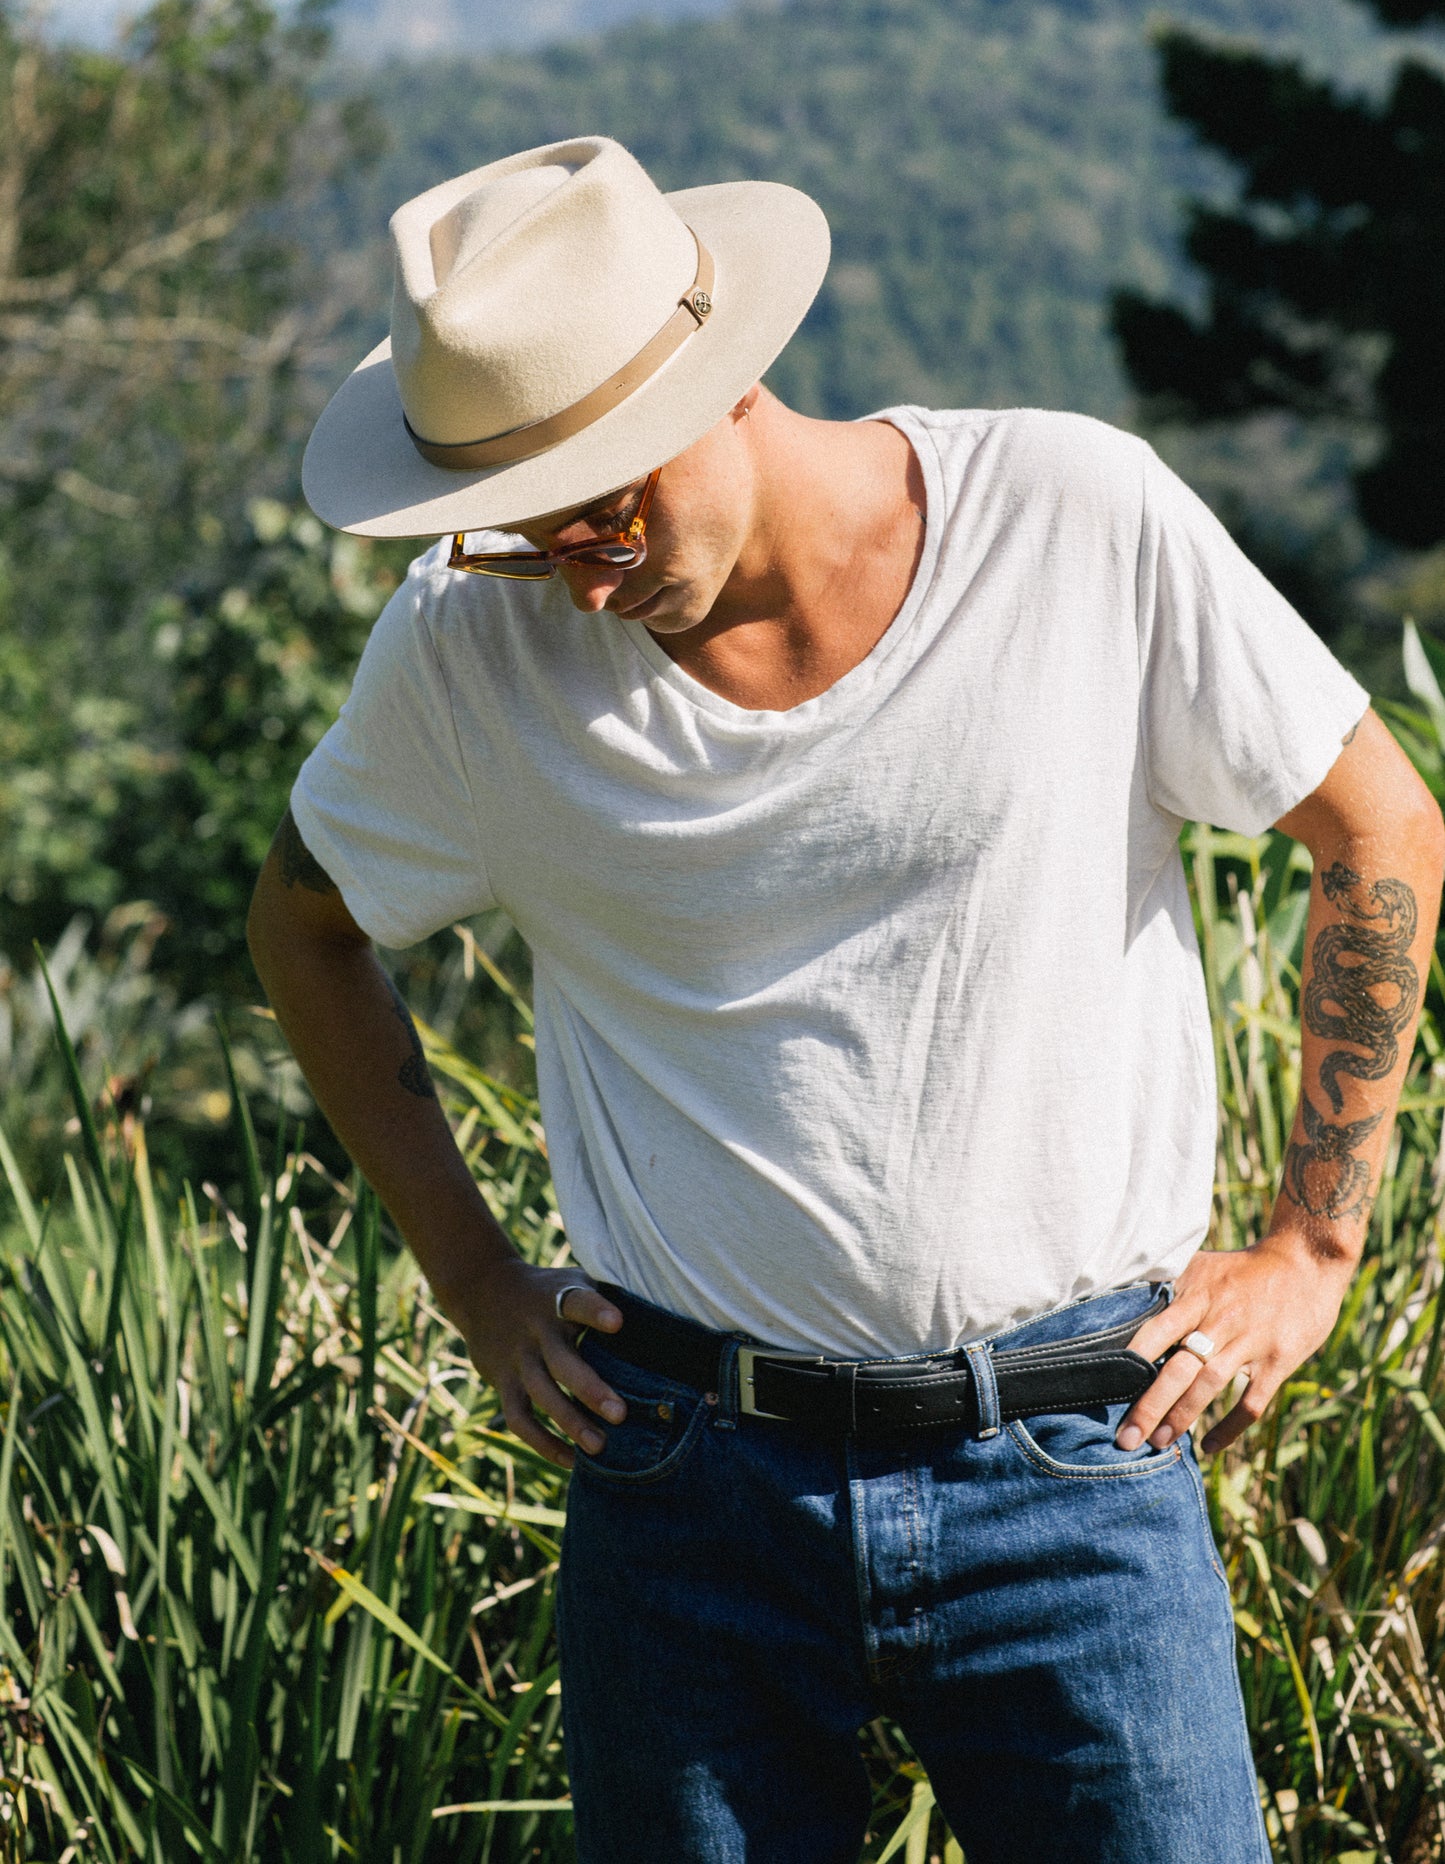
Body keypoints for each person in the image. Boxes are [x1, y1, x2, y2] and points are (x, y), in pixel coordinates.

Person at [247, 135, 1444, 1864]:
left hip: (1071, 1462)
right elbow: (304, 932)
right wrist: (472, 1277)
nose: (580, 575)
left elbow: (1377, 822)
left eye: (604, 506)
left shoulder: (1067, 520)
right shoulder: (464, 647)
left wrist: (1311, 1247)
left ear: (724, 384)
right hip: (684, 1490)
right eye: (522, 534)